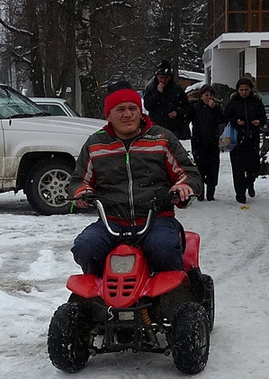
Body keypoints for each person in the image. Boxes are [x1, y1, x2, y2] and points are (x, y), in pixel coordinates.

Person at [70, 87, 203, 276]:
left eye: (133, 108)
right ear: (108, 116)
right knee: (86, 246)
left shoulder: (161, 139)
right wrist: (81, 192)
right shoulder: (96, 144)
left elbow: (190, 174)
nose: (128, 114)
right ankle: (98, 297)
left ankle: (176, 297)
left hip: (156, 219)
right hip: (112, 222)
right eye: (120, 109)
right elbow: (78, 180)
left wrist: (183, 186)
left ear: (141, 112)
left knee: (163, 248)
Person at [223, 77, 267, 204]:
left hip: (252, 139)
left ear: (251, 89)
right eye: (241, 90)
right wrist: (236, 121)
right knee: (238, 169)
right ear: (237, 90)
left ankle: (250, 183)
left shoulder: (256, 102)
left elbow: (263, 117)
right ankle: (240, 194)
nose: (243, 92)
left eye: (246, 90)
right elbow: (226, 117)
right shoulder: (233, 102)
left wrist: (259, 122)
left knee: (253, 167)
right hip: (237, 140)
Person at [188, 85, 225, 201]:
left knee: (213, 167)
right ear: (201, 96)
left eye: (211, 95)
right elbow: (186, 118)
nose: (209, 98)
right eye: (206, 95)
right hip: (198, 141)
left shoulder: (216, 107)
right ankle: (200, 192)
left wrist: (214, 109)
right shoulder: (194, 107)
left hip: (213, 141)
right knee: (199, 167)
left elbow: (222, 120)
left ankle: (211, 192)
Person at [142, 60, 190, 139]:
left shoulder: (176, 89)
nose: (163, 81)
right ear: (157, 76)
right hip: (156, 126)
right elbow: (148, 105)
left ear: (170, 77)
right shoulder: (151, 88)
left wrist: (177, 112)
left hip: (173, 127)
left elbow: (186, 106)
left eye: (166, 78)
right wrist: (157, 93)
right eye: (161, 78)